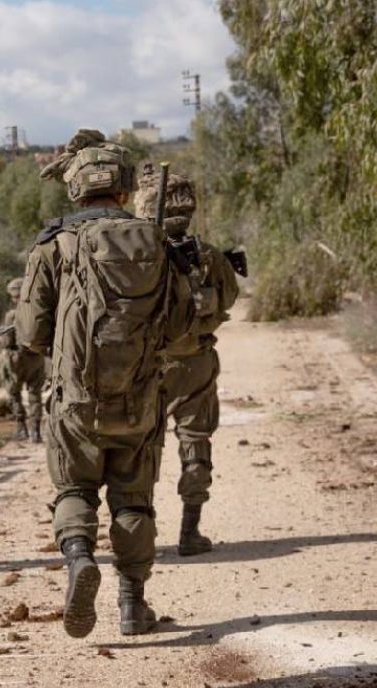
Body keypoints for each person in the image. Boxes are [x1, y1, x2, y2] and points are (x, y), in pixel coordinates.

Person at [15, 129, 196, 638]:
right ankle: (133, 605)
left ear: (75, 187)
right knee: (133, 500)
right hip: (140, 398)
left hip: (75, 400)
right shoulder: (155, 240)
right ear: (122, 189)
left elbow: (30, 335)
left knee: (74, 488)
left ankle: (78, 559)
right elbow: (184, 331)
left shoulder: (54, 244)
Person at [135, 163, 241, 556]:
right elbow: (228, 299)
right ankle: (189, 532)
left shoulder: (137, 257)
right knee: (195, 442)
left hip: (147, 366)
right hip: (195, 363)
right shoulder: (209, 256)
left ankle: (138, 535)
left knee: (143, 449)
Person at [1, 277, 45, 443]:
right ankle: (36, 432)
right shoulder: (39, 311)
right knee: (35, 395)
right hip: (37, 359)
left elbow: (7, 341)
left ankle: (21, 429)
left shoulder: (11, 315)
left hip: (17, 360)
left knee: (14, 392)